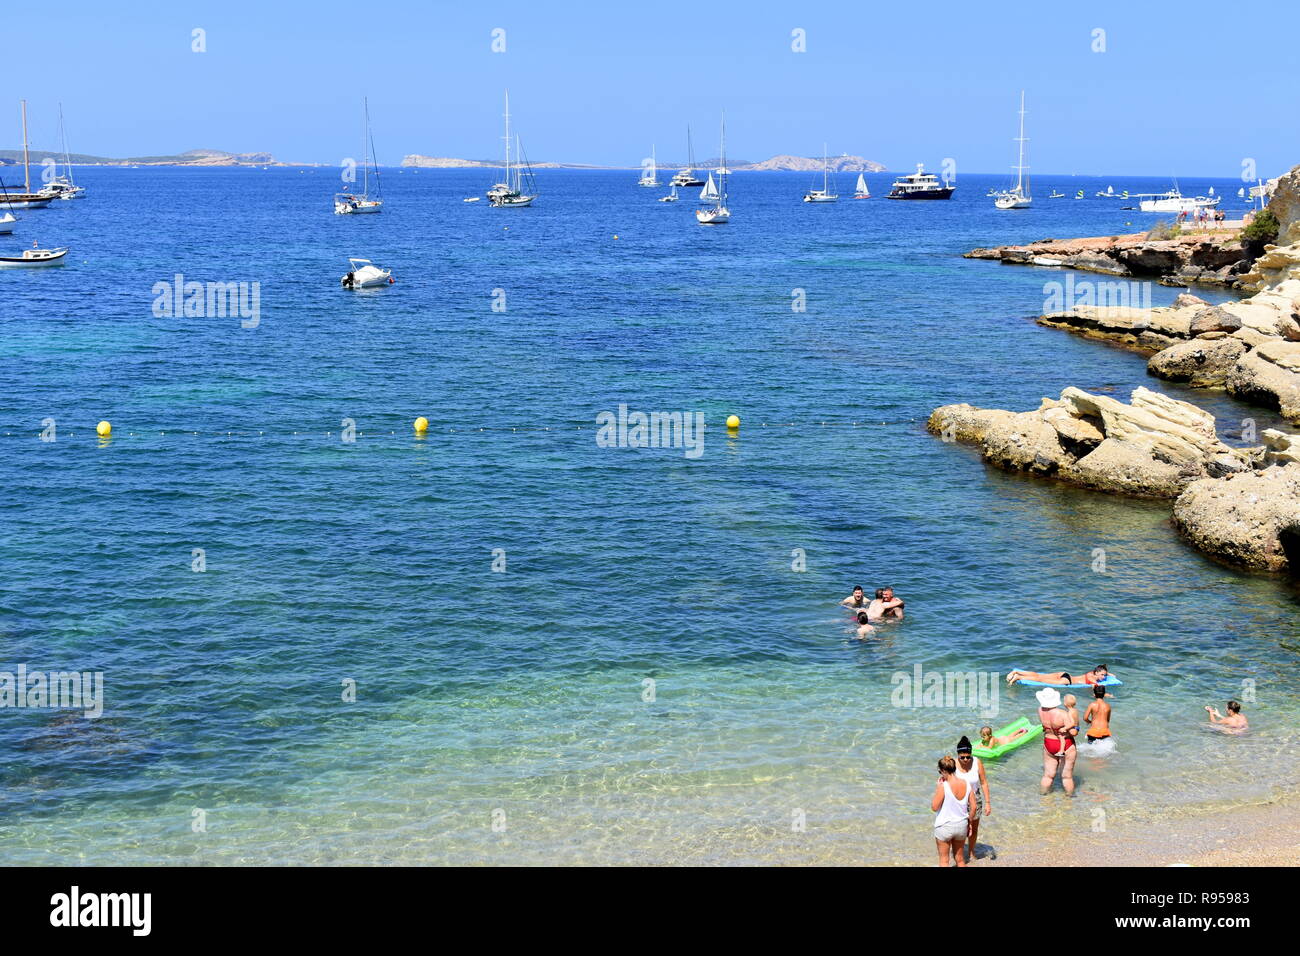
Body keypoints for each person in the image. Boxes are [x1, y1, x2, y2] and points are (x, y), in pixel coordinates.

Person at [931, 755, 975, 867]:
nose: (941, 774)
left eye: (940, 772)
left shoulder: (943, 786)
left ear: (944, 771)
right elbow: (974, 807)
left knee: (944, 861)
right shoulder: (966, 783)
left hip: (944, 826)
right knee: (960, 859)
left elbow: (934, 807)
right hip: (961, 825)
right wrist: (969, 823)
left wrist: (938, 787)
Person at [954, 736, 991, 863]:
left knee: (973, 829)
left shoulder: (977, 762)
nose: (965, 759)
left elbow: (984, 782)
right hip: (959, 801)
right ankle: (959, 855)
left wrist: (988, 803)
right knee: (960, 830)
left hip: (975, 798)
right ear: (958, 754)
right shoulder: (953, 764)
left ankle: (971, 852)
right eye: (962, 757)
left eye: (968, 757)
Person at [1037, 687, 1077, 795]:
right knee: (1067, 777)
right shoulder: (1062, 713)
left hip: (1049, 743)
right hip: (1066, 743)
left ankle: (1043, 797)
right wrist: (1075, 728)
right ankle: (1069, 800)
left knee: (1048, 775)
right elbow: (1072, 732)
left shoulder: (1040, 710)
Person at [1005, 665, 1109, 686]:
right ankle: (1019, 677)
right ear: (1096, 673)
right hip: (1066, 681)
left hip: (1064, 674)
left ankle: (1016, 672)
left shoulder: (1091, 673)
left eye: (1105, 675)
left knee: (1040, 675)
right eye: (1102, 675)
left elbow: (1105, 673)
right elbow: (1096, 686)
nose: (1104, 677)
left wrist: (1109, 674)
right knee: (1040, 679)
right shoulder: (1092, 678)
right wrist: (1107, 695)